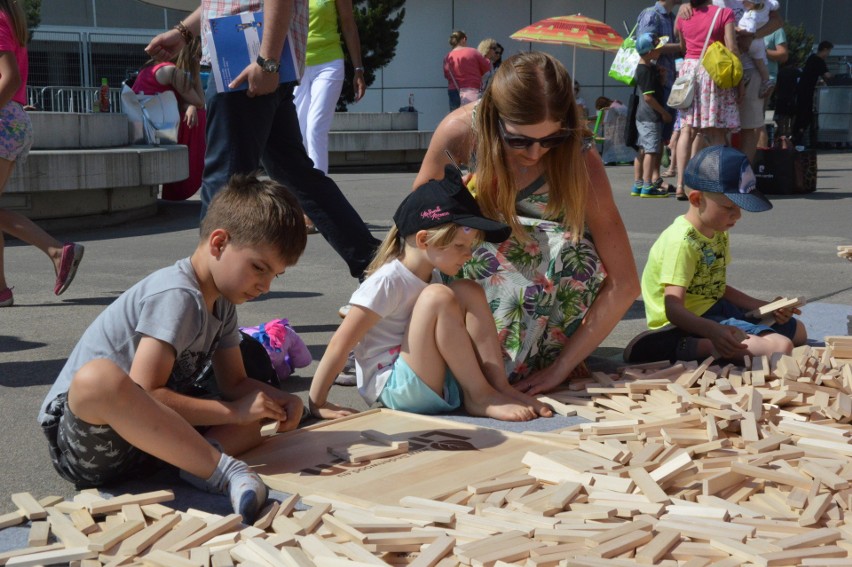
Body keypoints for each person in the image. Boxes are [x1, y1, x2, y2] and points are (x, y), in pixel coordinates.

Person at [37, 174, 306, 523]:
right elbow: (147, 392)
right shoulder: (176, 294)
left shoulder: (222, 304)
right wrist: (232, 412)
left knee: (253, 421)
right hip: (89, 440)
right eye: (259, 268)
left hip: (144, 442)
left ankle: (193, 466)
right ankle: (222, 472)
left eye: (275, 276)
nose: (266, 286)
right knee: (98, 378)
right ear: (219, 243)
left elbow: (235, 385)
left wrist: (281, 401)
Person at [415, 52, 640, 396]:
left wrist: (559, 369)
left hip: (548, 305)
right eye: (518, 140)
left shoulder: (579, 157)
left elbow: (624, 283)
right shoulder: (460, 133)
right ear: (493, 116)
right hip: (471, 289)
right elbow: (414, 234)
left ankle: (516, 367)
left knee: (573, 250)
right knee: (460, 239)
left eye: (551, 140)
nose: (535, 154)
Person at [145, 1, 380, 282]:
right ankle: (377, 265)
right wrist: (184, 32)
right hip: (258, 56)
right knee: (296, 173)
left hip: (246, 59)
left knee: (224, 183)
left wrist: (267, 61)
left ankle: (208, 295)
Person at [309, 166, 550, 421]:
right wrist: (318, 402)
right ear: (424, 240)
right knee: (439, 296)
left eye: (469, 246)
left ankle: (498, 387)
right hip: (396, 387)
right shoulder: (387, 281)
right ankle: (479, 396)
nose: (468, 254)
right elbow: (341, 342)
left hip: (429, 378)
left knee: (468, 289)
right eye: (460, 245)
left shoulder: (430, 274)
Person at [624, 145, 807, 364]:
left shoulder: (717, 230)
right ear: (696, 200)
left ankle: (717, 340)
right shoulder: (681, 242)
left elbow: (716, 287)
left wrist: (765, 307)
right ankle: (685, 347)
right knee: (780, 347)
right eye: (729, 207)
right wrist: (714, 332)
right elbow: (673, 309)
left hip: (713, 310)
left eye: (739, 207)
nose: (737, 215)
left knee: (798, 332)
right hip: (681, 323)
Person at [0, 0, 84, 307]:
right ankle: (1, 290)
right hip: (13, 119)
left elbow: (9, 79)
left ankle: (57, 251)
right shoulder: (7, 17)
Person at [673, 0, 740, 200]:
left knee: (687, 129)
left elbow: (683, 46)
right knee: (715, 129)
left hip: (688, 70)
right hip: (712, 71)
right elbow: (732, 47)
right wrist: (739, 79)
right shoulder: (724, 13)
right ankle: (712, 182)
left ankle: (680, 184)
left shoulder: (683, 14)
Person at [294, 0, 366, 176]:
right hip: (298, 63)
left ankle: (319, 191)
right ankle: (300, 188)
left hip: (328, 63)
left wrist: (358, 69)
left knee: (315, 127)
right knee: (297, 131)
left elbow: (348, 24)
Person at [132, 36, 206, 201]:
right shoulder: (171, 71)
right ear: (190, 53)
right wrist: (196, 71)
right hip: (158, 130)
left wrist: (190, 106)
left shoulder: (149, 68)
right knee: (201, 117)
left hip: (144, 127)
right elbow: (200, 101)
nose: (200, 57)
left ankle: (178, 187)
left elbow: (177, 102)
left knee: (195, 114)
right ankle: (187, 179)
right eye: (199, 54)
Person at [636, 0, 683, 182]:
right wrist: (681, 46)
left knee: (659, 138)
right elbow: (645, 44)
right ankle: (650, 180)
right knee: (651, 144)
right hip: (655, 86)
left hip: (666, 81)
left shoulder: (672, 17)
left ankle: (649, 180)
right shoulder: (651, 14)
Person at [632, 33, 673, 198]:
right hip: (650, 116)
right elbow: (649, 97)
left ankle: (638, 183)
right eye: (657, 48)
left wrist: (661, 78)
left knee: (642, 149)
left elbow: (654, 90)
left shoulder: (646, 68)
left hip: (642, 116)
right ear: (649, 52)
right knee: (651, 151)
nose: (660, 50)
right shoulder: (645, 71)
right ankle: (648, 186)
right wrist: (663, 113)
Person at [794, 40, 834, 147]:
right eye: (829, 51)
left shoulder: (811, 58)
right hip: (807, 91)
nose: (828, 54)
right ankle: (799, 137)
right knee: (806, 115)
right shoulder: (819, 60)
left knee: (802, 114)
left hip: (802, 90)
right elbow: (827, 75)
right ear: (824, 49)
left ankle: (798, 136)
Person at [736, 1, 778, 100]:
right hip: (759, 42)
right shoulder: (767, 5)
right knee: (760, 63)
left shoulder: (751, 15)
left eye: (744, 1)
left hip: (750, 41)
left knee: (737, 56)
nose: (742, 3)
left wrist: (737, 29)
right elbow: (775, 4)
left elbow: (750, 31)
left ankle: (743, 77)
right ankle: (766, 81)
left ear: (752, 3)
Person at [443, 30, 491, 112]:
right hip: (471, 90)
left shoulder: (447, 57)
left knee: (456, 118)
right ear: (463, 39)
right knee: (471, 119)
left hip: (453, 91)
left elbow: (446, 75)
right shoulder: (472, 52)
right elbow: (487, 67)